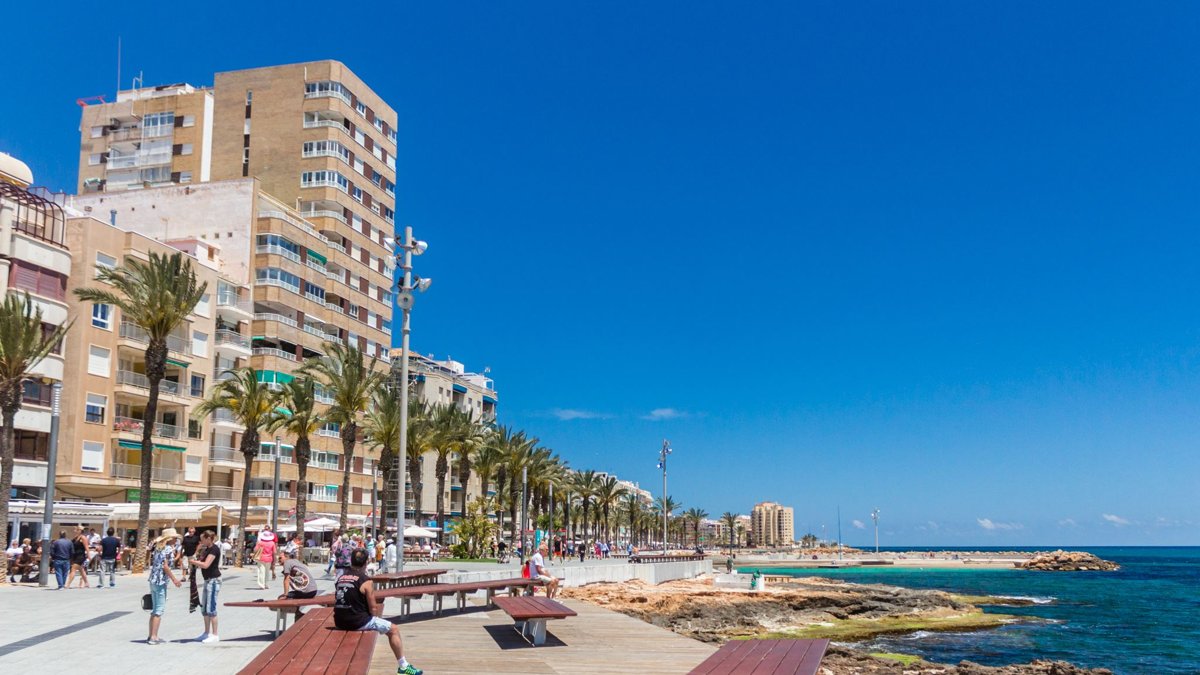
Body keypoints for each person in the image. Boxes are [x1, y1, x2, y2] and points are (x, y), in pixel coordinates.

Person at [333, 548, 422, 675]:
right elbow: (373, 608)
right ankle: (403, 667)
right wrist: (374, 619)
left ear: (351, 561)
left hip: (339, 621)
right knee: (393, 629)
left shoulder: (341, 577)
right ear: (366, 563)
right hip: (357, 622)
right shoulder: (366, 581)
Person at [147, 528, 183, 644]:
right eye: (175, 538)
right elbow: (165, 567)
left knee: (154, 609)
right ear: (170, 539)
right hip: (161, 581)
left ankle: (150, 635)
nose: (176, 540)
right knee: (159, 610)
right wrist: (175, 580)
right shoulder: (167, 549)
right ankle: (154, 637)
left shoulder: (158, 548)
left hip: (153, 580)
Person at [189, 530, 222, 644]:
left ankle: (215, 634)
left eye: (203, 539)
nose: (201, 541)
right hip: (207, 580)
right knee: (204, 608)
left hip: (214, 581)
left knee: (211, 608)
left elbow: (206, 565)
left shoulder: (214, 549)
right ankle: (206, 632)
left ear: (209, 538)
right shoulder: (207, 549)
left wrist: (194, 562)